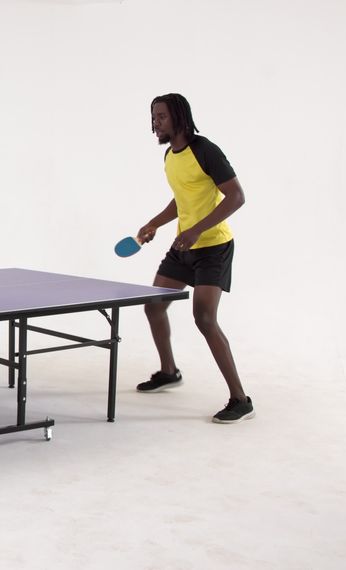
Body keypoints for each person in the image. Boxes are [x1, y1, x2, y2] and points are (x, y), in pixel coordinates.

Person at [134, 93, 253, 424]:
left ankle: (241, 399)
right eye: (153, 116)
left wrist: (197, 230)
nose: (155, 123)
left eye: (161, 117)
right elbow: (181, 199)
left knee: (204, 318)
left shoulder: (206, 150)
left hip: (213, 247)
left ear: (179, 118)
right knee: (154, 305)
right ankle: (168, 372)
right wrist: (154, 223)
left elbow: (237, 197)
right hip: (183, 246)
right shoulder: (170, 157)